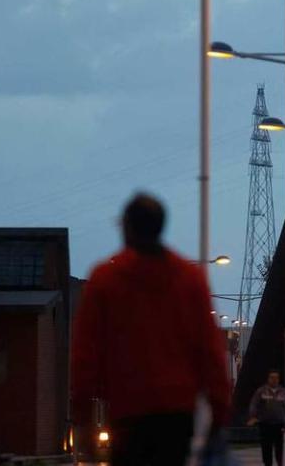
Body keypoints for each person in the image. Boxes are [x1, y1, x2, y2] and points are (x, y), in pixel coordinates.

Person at [71, 193, 231, 465]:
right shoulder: (189, 279)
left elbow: (85, 355)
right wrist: (219, 411)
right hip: (178, 413)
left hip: (127, 412)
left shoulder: (105, 280)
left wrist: (82, 418)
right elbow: (209, 350)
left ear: (126, 227)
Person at [248, 370, 285, 466]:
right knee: (266, 448)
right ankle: (267, 464)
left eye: (276, 378)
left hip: (279, 424)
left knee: (280, 448)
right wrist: (253, 416)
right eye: (272, 377)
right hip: (265, 424)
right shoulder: (261, 391)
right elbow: (254, 404)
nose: (274, 380)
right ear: (268, 379)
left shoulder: (283, 392)